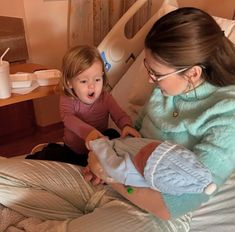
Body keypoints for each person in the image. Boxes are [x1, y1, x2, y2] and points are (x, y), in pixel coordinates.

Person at [0, 7, 235, 232]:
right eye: (148, 68)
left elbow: (172, 206)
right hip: (105, 179)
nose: (151, 80)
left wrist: (109, 174)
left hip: (148, 212)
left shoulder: (227, 115)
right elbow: (134, 135)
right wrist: (105, 156)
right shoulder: (165, 91)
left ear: (193, 73)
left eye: (156, 74)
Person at [26, 45, 140, 166]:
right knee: (55, 158)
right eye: (84, 81)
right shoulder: (68, 99)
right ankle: (45, 151)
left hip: (98, 148)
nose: (92, 86)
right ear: (69, 82)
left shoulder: (105, 97)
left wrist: (127, 125)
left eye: (97, 79)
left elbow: (120, 115)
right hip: (74, 150)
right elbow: (68, 119)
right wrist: (88, 133)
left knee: (113, 134)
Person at [88, 136, 217, 195]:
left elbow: (110, 163)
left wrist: (98, 143)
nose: (144, 150)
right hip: (121, 142)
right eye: (155, 148)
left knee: (100, 170)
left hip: (109, 150)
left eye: (145, 158)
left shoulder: (127, 171)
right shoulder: (157, 150)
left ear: (147, 175)